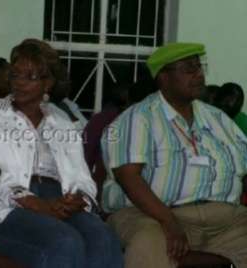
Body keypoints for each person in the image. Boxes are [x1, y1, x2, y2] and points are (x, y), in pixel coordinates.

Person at [0, 39, 123, 268]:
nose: (19, 83)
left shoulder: (62, 121)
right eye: (15, 75)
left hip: (58, 198)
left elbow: (81, 175)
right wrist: (35, 203)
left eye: (30, 77)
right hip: (3, 205)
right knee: (64, 241)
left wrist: (76, 199)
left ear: (47, 83)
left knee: (104, 239)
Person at [102, 43, 247, 268]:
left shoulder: (218, 118)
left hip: (225, 220)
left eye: (200, 67)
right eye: (189, 69)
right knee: (148, 240)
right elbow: (128, 178)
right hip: (153, 214)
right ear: (163, 77)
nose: (199, 75)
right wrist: (168, 221)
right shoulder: (136, 119)